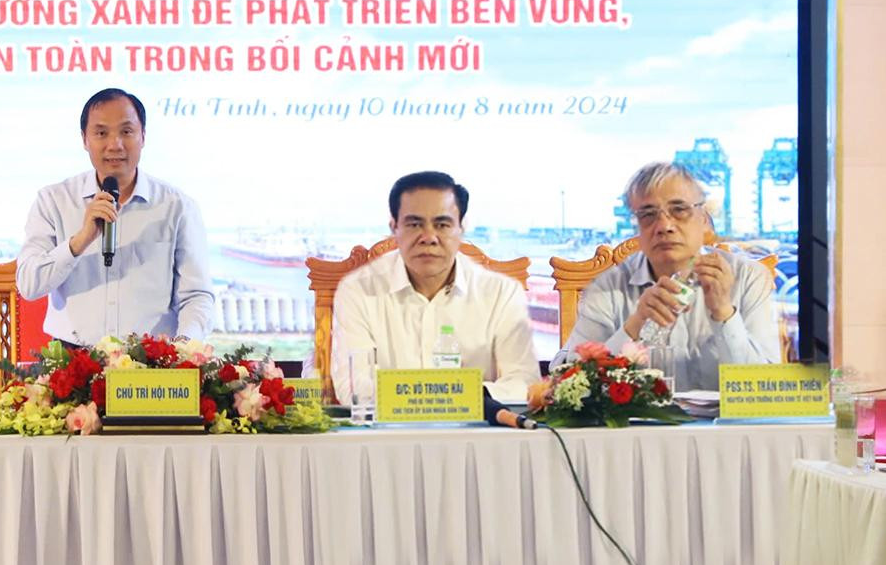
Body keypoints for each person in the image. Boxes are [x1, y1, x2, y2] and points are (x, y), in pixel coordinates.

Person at [16, 87, 214, 347]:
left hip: (151, 359)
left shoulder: (177, 206)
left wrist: (183, 348)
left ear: (143, 136)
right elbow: (29, 285)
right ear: (84, 139)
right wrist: (80, 241)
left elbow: (197, 296)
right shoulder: (53, 200)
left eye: (126, 132)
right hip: (72, 360)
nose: (115, 145)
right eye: (101, 133)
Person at [554, 161, 779, 388]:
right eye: (648, 214)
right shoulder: (608, 287)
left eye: (679, 210)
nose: (664, 226)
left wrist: (724, 313)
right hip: (639, 413)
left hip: (724, 413)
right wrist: (633, 327)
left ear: (703, 219)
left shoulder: (748, 278)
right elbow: (565, 379)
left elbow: (767, 388)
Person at [330, 171, 539, 404]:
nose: (429, 237)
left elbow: (524, 382)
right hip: (389, 427)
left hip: (476, 424)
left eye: (442, 225)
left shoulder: (501, 293)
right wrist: (453, 394)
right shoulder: (358, 291)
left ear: (461, 228)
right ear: (394, 227)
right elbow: (353, 387)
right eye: (414, 224)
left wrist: (463, 397)